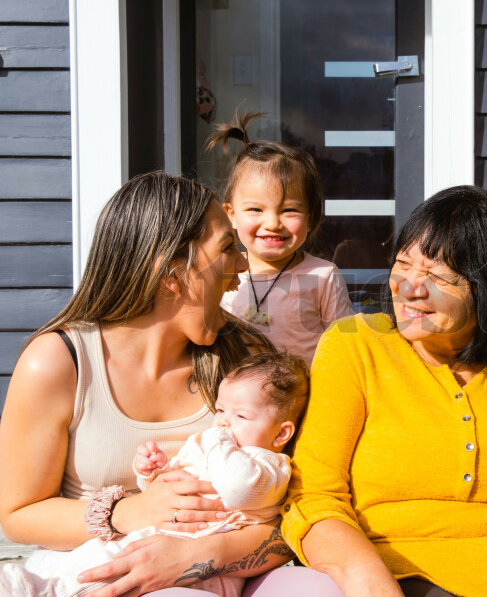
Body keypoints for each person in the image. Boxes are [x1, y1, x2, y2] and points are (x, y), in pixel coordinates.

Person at [0, 171, 334, 596]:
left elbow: (298, 509)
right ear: (172, 273)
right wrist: (130, 511)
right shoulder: (59, 362)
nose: (243, 265)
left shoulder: (247, 360)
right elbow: (20, 512)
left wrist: (199, 558)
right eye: (228, 248)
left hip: (229, 564)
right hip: (97, 568)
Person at [280, 185, 487, 597]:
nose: (409, 288)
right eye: (403, 264)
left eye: (438, 276)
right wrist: (373, 588)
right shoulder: (355, 345)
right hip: (398, 575)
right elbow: (313, 495)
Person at [1, 351, 308, 597]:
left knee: (113, 575)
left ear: (282, 434)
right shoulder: (216, 447)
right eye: (220, 410)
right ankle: (38, 585)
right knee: (98, 560)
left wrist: (217, 440)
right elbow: (171, 485)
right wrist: (154, 471)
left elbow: (236, 488)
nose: (224, 422)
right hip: (153, 534)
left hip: (203, 572)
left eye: (240, 416)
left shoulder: (267, 465)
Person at [211, 112, 354, 367]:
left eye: (289, 210)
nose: (273, 223)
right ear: (230, 215)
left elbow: (346, 349)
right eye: (256, 210)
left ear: (311, 218)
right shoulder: (223, 271)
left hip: (306, 399)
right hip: (237, 402)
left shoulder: (323, 276)